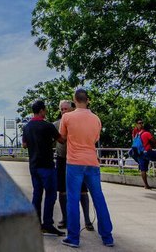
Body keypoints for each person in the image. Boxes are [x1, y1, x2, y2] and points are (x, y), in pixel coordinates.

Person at [59, 89, 114, 248]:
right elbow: (95, 138)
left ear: (74, 100)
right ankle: (107, 237)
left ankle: (74, 238)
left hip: (74, 162)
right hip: (92, 161)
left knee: (73, 199)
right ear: (87, 100)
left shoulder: (67, 117)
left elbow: (62, 137)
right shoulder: (96, 119)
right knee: (99, 198)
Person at [22, 99, 65, 237]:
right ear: (41, 110)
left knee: (37, 194)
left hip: (33, 166)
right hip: (46, 166)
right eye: (45, 109)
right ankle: (47, 224)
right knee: (51, 195)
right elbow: (61, 140)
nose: (46, 112)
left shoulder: (27, 127)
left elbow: (24, 145)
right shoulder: (47, 126)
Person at [53, 100, 93, 231]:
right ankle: (65, 218)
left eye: (66, 109)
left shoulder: (80, 123)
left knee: (83, 190)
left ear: (72, 109)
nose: (64, 111)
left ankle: (87, 220)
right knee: (62, 190)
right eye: (62, 109)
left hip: (77, 160)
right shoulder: (55, 125)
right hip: (62, 159)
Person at [137, 123, 156, 189]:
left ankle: (146, 185)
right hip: (147, 151)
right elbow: (154, 141)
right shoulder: (147, 133)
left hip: (140, 153)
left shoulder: (139, 134)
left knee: (143, 170)